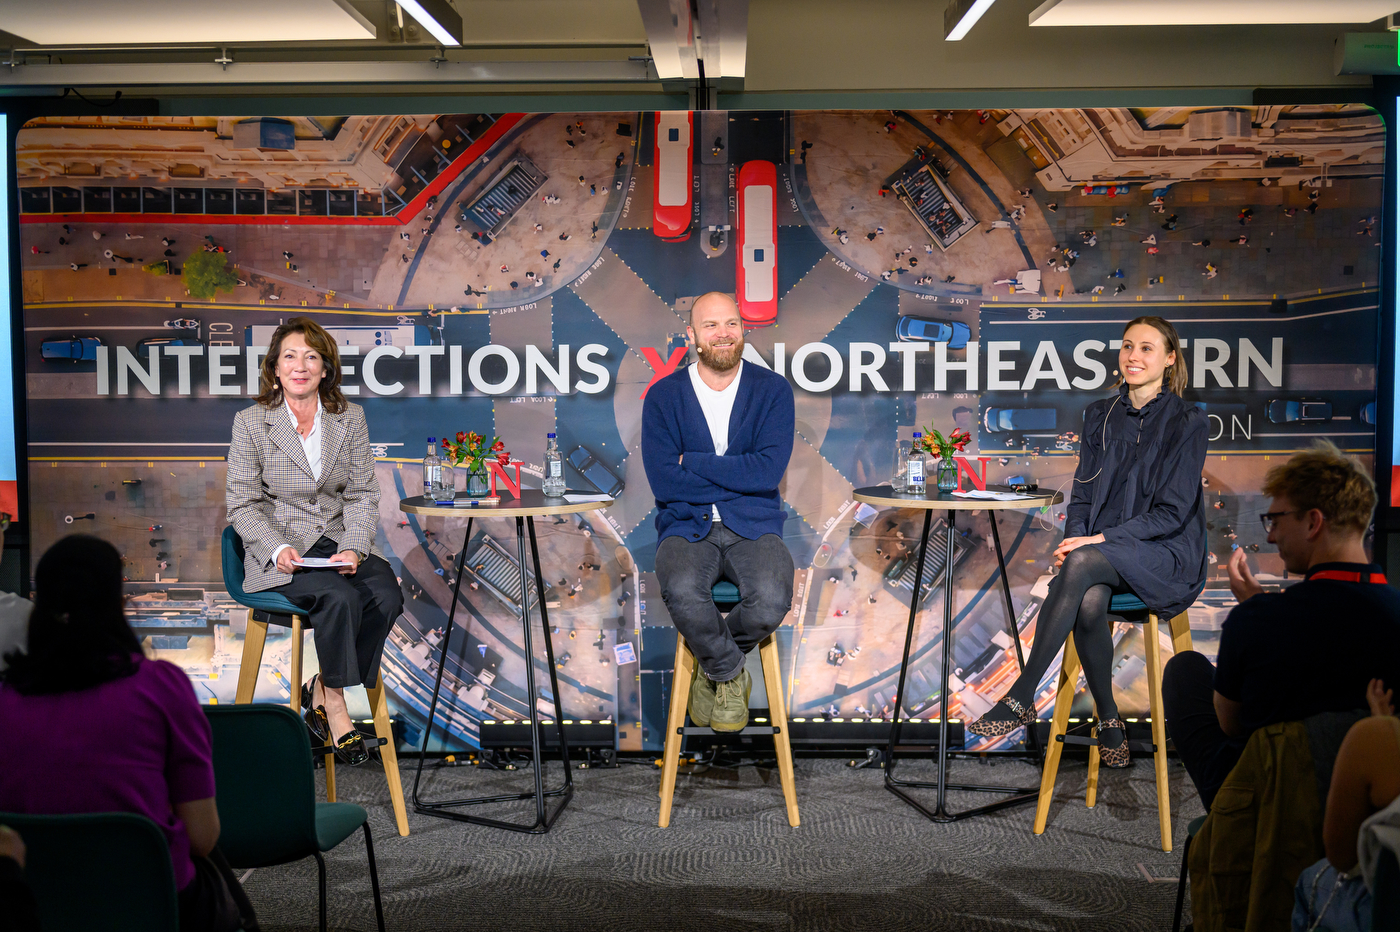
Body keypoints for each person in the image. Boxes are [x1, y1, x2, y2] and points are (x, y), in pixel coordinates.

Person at [968, 316, 1208, 768]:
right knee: (1090, 598)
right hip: (1102, 552)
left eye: (1147, 348)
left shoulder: (1188, 421)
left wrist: (1097, 540)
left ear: (1170, 359)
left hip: (1165, 551)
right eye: (1127, 346)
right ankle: (1110, 719)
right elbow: (1081, 492)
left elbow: (1173, 512)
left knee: (1081, 568)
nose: (1134, 356)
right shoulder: (1100, 414)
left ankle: (1022, 696)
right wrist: (1076, 536)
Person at [0, 536, 257, 932]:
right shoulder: (161, 686)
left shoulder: (6, 702)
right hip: (153, 899)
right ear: (118, 602)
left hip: (36, 905)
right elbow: (203, 838)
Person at [1163, 441, 1400, 808]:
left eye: (1275, 521)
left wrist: (1256, 611)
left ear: (1313, 521)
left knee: (1184, 670)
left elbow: (1232, 723)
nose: (1271, 536)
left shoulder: (1258, 620)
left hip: (1271, 800)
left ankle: (1228, 827)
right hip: (1371, 803)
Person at [226, 317, 403, 765]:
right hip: (282, 547)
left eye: (311, 356)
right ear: (275, 367)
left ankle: (321, 689)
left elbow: (363, 493)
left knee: (385, 595)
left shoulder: (349, 419)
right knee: (340, 598)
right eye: (290, 356)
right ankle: (339, 707)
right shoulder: (251, 423)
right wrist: (275, 548)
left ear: (325, 369)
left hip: (337, 539)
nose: (300, 365)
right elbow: (242, 504)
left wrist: (355, 546)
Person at [641, 292, 796, 733]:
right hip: (686, 526)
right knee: (683, 592)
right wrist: (735, 474)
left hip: (756, 524)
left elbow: (766, 473)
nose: (723, 334)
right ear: (691, 335)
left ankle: (712, 669)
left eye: (731, 323)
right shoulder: (664, 396)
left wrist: (693, 460)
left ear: (743, 330)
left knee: (771, 599)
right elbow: (666, 483)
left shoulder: (772, 391)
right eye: (711, 326)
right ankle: (728, 672)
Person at [1291, 679, 1399, 932]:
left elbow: (1342, 858)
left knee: (1311, 881)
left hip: (1387, 910)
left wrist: (1382, 731)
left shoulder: (1370, 739)